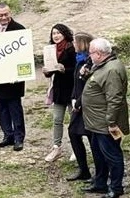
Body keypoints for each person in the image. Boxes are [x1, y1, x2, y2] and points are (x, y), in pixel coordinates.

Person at [80, 38, 128, 198]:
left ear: (99, 54)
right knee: (98, 154)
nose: (89, 55)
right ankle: (100, 183)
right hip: (96, 122)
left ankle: (116, 188)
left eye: (91, 53)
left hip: (105, 124)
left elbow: (115, 99)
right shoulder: (102, 65)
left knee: (112, 155)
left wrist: (111, 123)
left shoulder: (112, 70)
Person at [0, 2, 26, 152]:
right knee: (1, 107)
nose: (4, 17)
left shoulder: (19, 29)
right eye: (1, 15)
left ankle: (18, 137)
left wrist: (19, 74)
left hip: (13, 78)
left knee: (14, 107)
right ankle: (7, 135)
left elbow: (23, 55)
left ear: (10, 13)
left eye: (6, 14)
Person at [42, 23, 76, 162]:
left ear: (64, 34)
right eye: (53, 33)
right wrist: (47, 72)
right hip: (58, 89)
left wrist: (65, 70)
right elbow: (51, 72)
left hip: (71, 89)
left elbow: (76, 69)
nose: (56, 36)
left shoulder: (71, 48)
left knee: (73, 119)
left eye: (58, 33)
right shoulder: (51, 50)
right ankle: (57, 147)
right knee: (57, 119)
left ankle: (76, 148)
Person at [66, 32, 94, 182]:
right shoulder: (79, 60)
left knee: (91, 137)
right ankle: (83, 169)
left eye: (75, 42)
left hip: (86, 106)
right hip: (77, 103)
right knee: (73, 133)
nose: (73, 45)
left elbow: (89, 87)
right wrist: (72, 98)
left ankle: (100, 171)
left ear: (82, 43)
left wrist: (79, 102)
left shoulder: (89, 62)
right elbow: (76, 83)